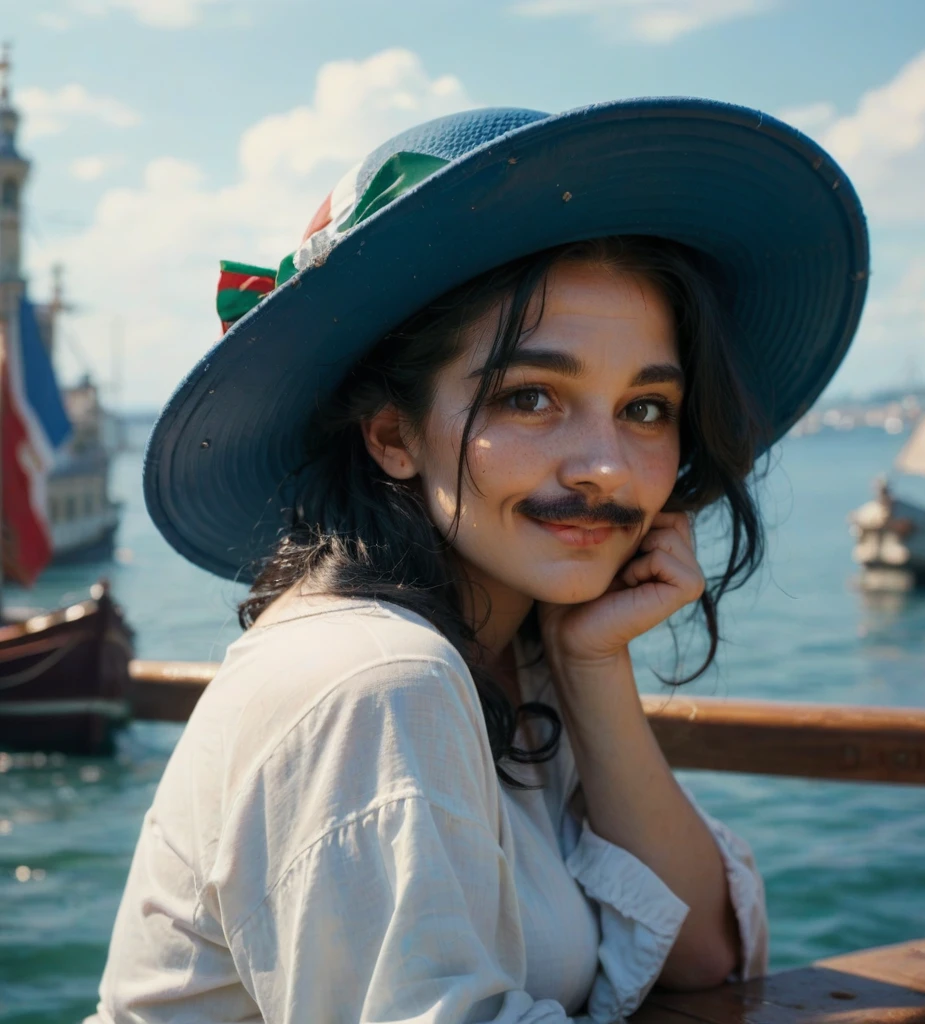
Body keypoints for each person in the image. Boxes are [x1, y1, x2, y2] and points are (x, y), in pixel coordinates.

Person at [88, 100, 868, 1023]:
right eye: (532, 397)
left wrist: (591, 665)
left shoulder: (509, 650)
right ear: (392, 435)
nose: (610, 467)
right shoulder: (377, 681)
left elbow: (705, 957)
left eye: (647, 409)